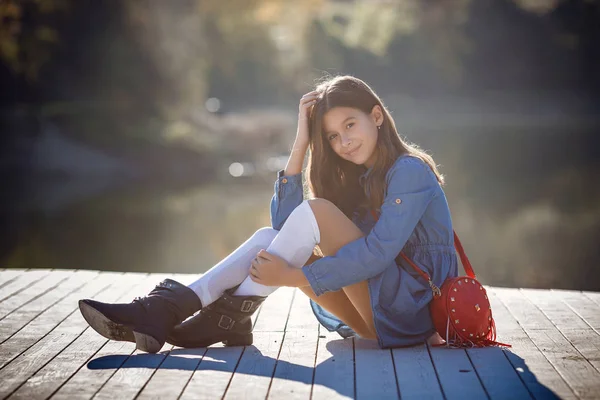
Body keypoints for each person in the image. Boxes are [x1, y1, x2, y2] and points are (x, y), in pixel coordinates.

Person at [79, 75, 456, 353]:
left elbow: (377, 254)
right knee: (266, 238)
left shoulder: (409, 171)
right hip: (379, 318)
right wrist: (301, 142)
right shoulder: (359, 176)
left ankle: (197, 313)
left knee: (317, 212)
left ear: (377, 116)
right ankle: (185, 311)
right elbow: (284, 229)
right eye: (332, 137)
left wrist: (296, 276)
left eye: (350, 125)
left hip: (409, 316)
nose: (343, 142)